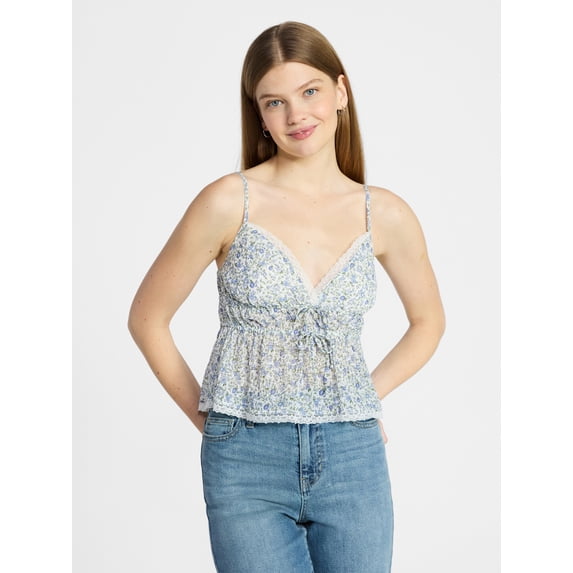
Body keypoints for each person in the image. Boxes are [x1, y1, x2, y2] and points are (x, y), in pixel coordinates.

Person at [128, 21, 445, 573]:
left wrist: (361, 396)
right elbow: (147, 318)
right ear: (260, 114)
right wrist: (214, 423)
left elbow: (429, 323)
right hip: (244, 458)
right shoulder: (228, 201)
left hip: (352, 456)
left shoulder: (385, 213)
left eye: (310, 91)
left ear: (341, 92)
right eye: (275, 101)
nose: (296, 114)